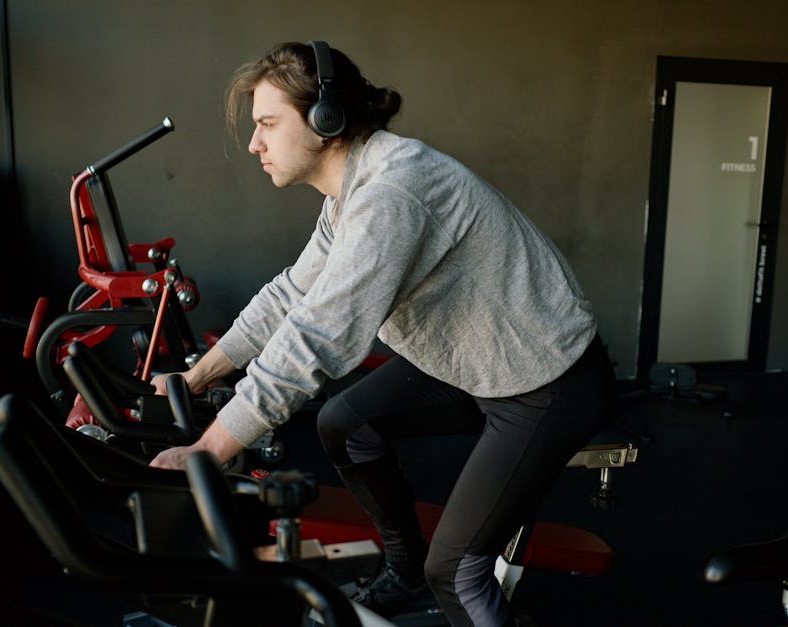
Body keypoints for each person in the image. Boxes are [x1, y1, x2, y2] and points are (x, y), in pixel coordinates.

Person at [149, 41, 616, 626]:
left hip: (547, 382)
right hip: (476, 361)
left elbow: (320, 334)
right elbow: (291, 295)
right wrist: (197, 376)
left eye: (268, 124)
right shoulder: (353, 189)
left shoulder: (392, 193)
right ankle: (403, 569)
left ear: (325, 121)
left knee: (458, 573)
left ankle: (431, 576)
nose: (254, 143)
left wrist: (211, 447)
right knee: (345, 423)